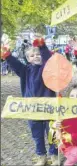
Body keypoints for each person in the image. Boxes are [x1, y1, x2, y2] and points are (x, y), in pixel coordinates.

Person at [1, 28, 58, 166]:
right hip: (32, 109)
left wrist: (42, 45)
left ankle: (54, 155)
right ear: (28, 59)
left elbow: (48, 58)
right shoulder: (25, 70)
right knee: (37, 135)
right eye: (32, 56)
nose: (36, 56)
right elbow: (15, 65)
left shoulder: (47, 67)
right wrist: (7, 55)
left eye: (38, 54)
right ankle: (41, 156)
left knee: (52, 132)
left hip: (49, 107)